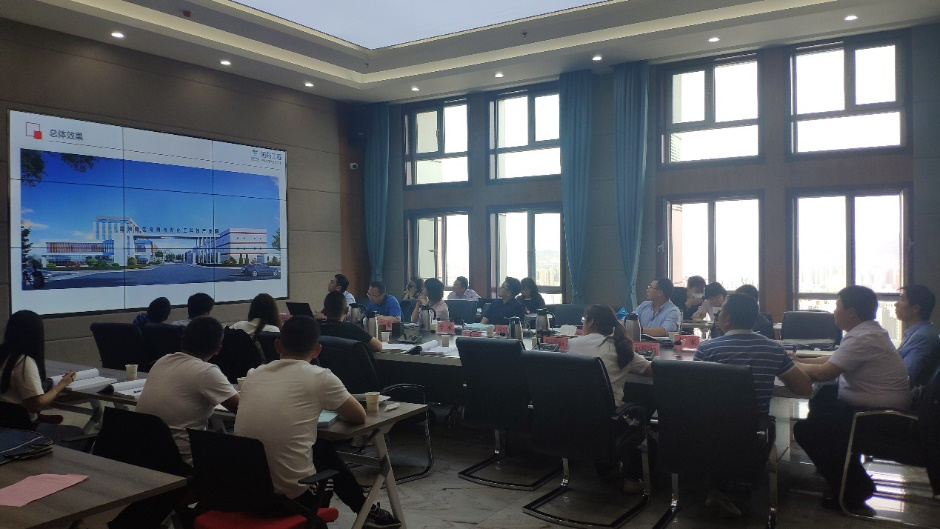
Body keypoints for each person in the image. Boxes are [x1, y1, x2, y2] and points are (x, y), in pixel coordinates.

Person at [234, 316, 401, 529]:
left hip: (244, 496)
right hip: (289, 501)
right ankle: (362, 511)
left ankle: (366, 512)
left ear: (277, 345)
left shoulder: (253, 375)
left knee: (321, 448)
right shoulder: (320, 377)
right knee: (328, 464)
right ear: (317, 350)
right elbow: (358, 416)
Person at [791, 286, 911, 511]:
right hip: (877, 410)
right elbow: (833, 360)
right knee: (822, 399)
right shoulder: (867, 332)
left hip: (881, 418)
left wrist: (791, 367)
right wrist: (799, 362)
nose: (834, 311)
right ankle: (840, 470)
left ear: (851, 312)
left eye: (837, 306)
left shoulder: (863, 337)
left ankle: (854, 488)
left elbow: (825, 373)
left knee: (806, 430)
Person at [693, 293, 812, 517]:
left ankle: (718, 486)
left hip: (709, 428)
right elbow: (804, 388)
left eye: (720, 313)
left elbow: (695, 392)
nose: (718, 317)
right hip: (752, 429)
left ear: (727, 319)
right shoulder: (772, 349)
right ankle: (739, 484)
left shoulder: (707, 349)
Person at [136, 316, 239, 462]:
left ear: (182, 340)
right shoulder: (206, 372)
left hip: (145, 454)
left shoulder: (162, 361)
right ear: (217, 350)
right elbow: (243, 409)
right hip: (183, 461)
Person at [0, 310, 76, 422]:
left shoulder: (3, 354)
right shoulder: (23, 362)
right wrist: (62, 384)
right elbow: (36, 405)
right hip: (19, 426)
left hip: (4, 421)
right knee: (76, 431)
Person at [569, 305, 652, 404]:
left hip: (575, 409)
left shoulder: (573, 344)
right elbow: (652, 371)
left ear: (591, 322)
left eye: (583, 320)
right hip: (608, 411)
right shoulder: (620, 348)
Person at [894, 284, 940, 387]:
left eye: (902, 299)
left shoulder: (921, 337)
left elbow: (906, 376)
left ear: (916, 308)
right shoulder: (923, 331)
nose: (896, 304)